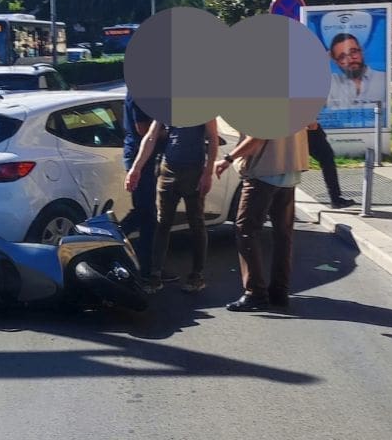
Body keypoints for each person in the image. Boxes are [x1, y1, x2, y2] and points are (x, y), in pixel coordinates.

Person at [215, 127, 309, 312]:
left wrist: (227, 159)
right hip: (290, 169)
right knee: (283, 235)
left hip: (264, 171)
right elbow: (312, 124)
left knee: (246, 230)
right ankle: (279, 291)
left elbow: (257, 137)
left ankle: (255, 293)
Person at [124, 117, 219, 294]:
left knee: (196, 222)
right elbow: (151, 137)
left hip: (194, 171)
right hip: (168, 169)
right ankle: (155, 275)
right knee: (162, 222)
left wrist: (208, 172)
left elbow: (213, 138)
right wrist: (135, 168)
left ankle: (196, 275)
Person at [120, 92, 173, 282]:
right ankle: (146, 269)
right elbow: (143, 130)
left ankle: (147, 267)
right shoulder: (140, 95)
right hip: (141, 159)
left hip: (142, 158)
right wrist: (171, 133)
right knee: (146, 215)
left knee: (145, 214)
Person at [325, 33, 385, 110]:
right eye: (342, 57)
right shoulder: (331, 83)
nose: (350, 60)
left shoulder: (383, 79)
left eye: (353, 52)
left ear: (361, 51)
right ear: (336, 62)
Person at [306, 122, 355, 209]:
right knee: (327, 160)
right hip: (308, 131)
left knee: (290, 166)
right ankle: (335, 199)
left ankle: (280, 200)